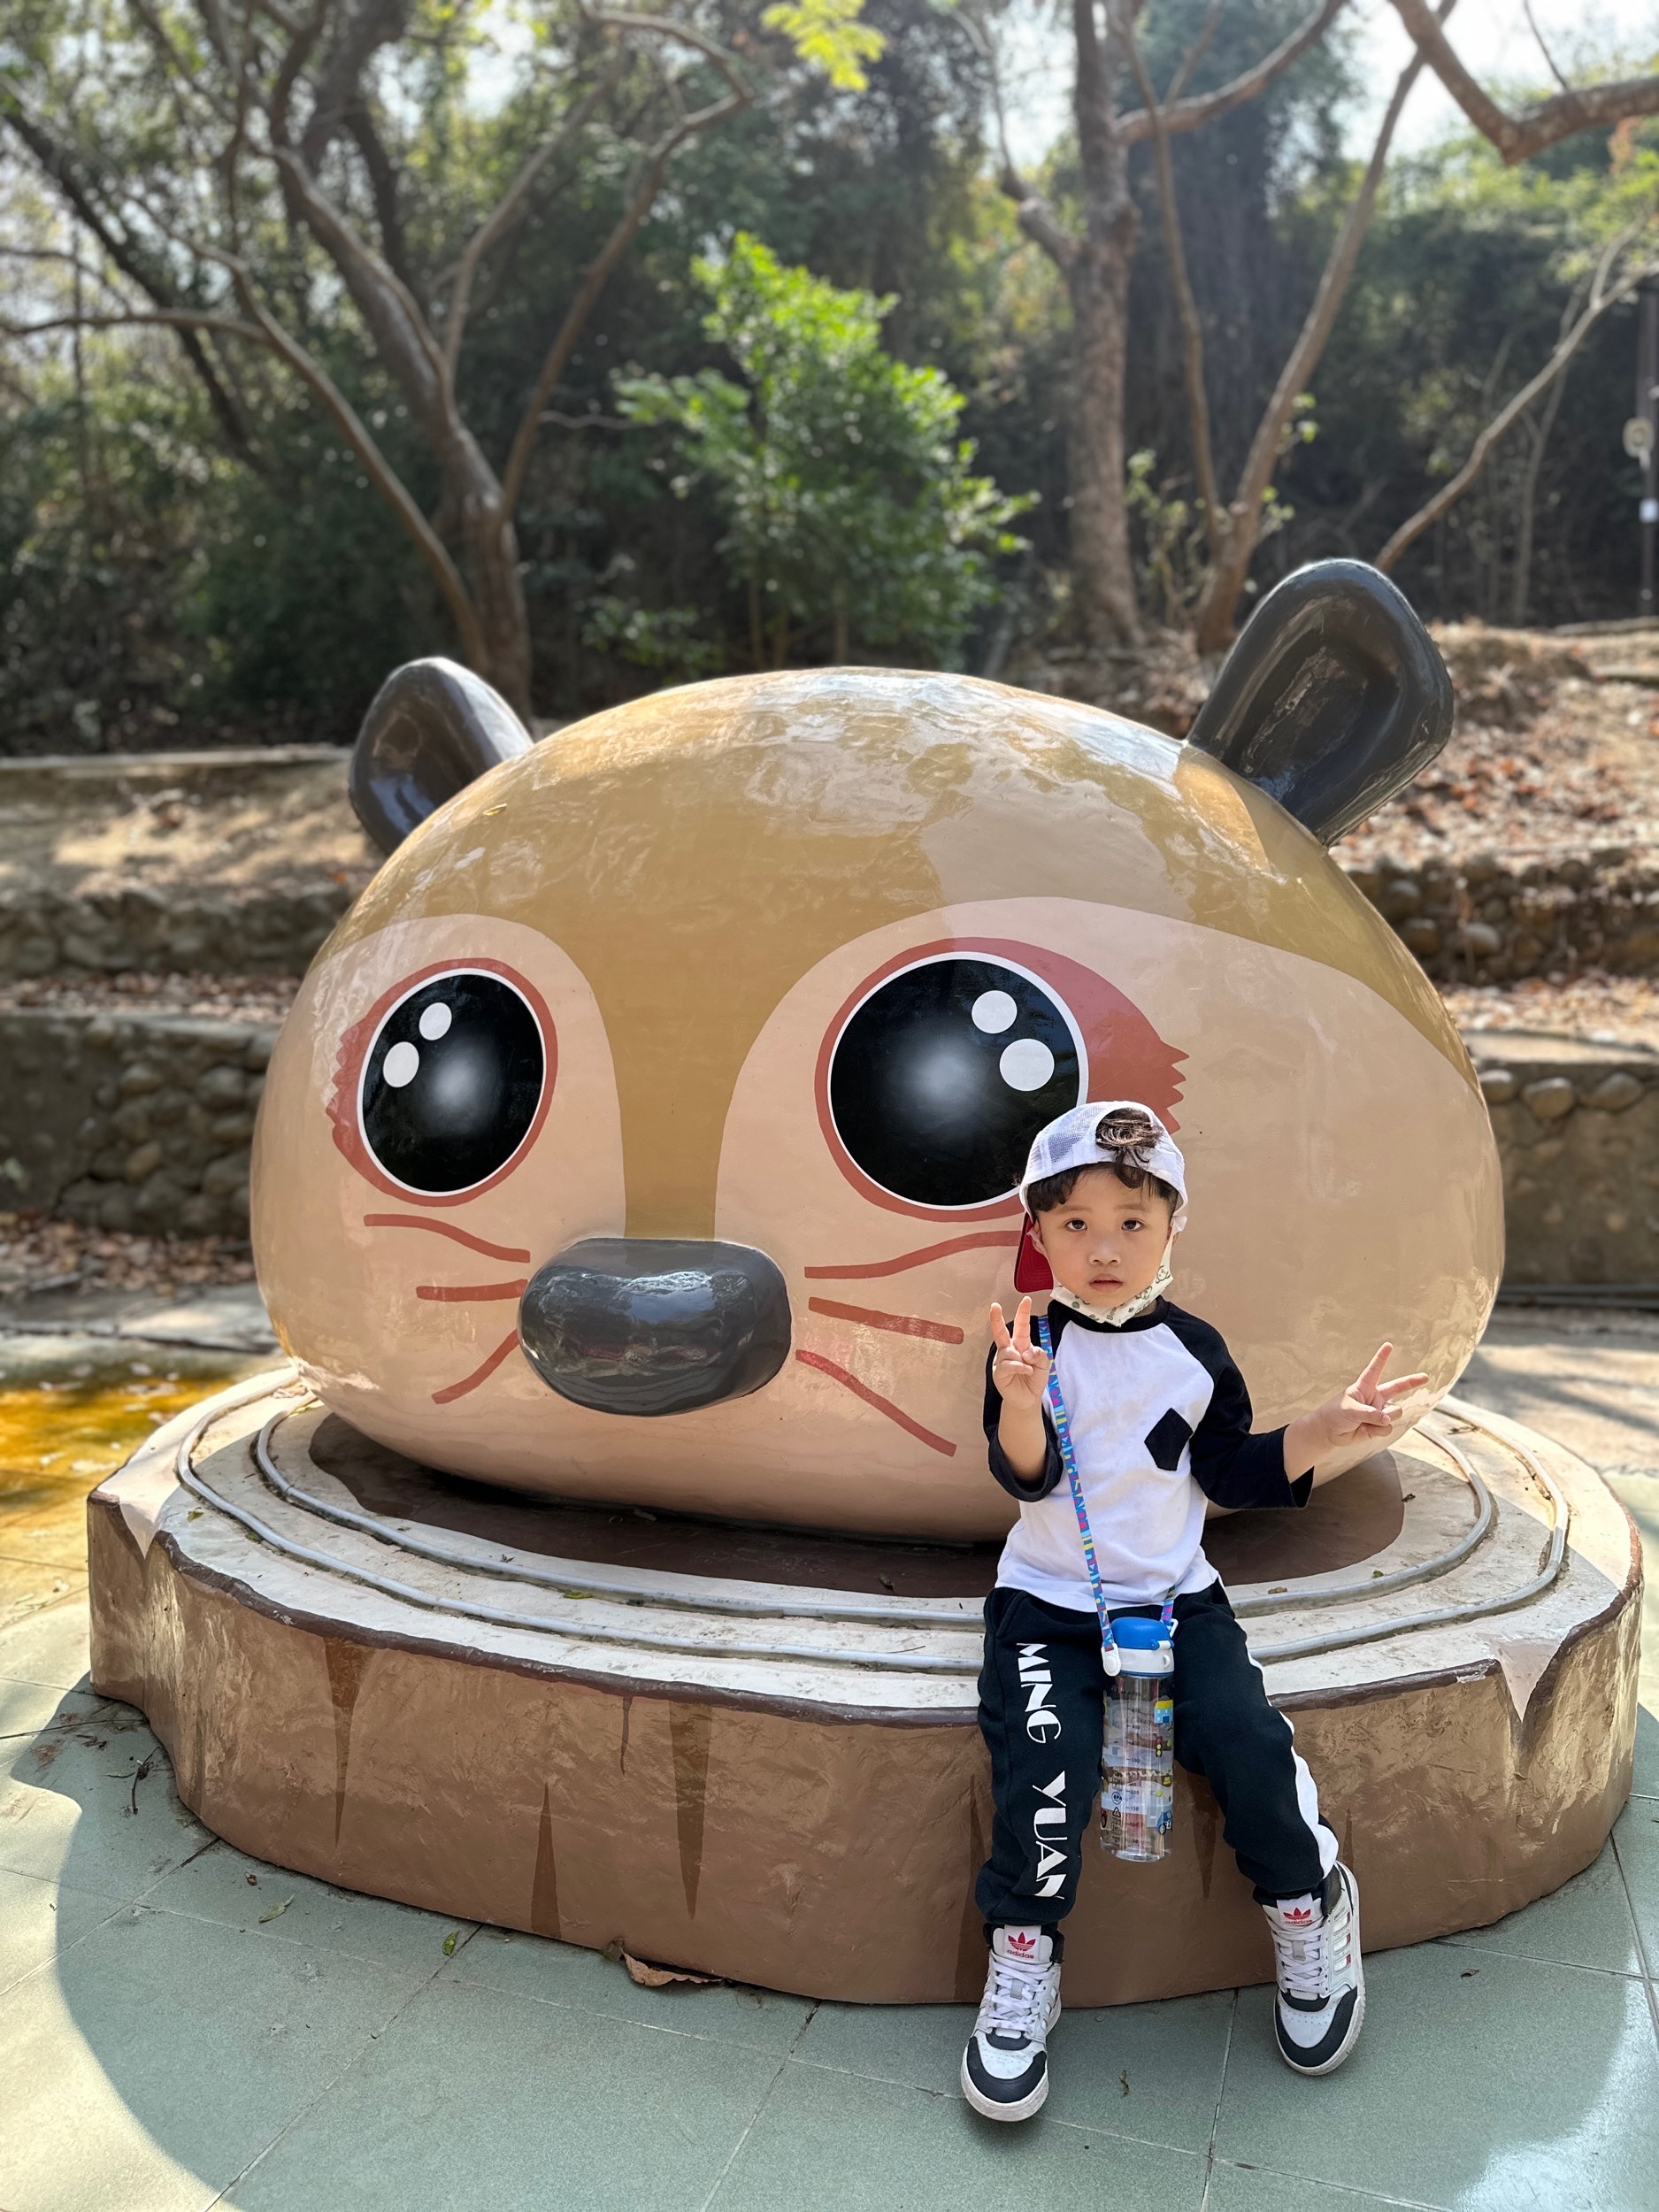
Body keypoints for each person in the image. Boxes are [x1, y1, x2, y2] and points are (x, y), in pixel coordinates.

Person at [962, 1100, 1426, 2124]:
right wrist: (1022, 1400)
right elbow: (1026, 1477)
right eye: (1075, 1223)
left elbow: (1232, 1472)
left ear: (1174, 1224)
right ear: (1039, 1233)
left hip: (1176, 1603)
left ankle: (1307, 1900)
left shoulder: (1194, 1352)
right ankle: (1024, 1954)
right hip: (1046, 1607)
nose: (1105, 1247)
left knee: (1246, 1738)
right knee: (1046, 1762)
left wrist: (1323, 1429)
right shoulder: (1028, 1343)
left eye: (1133, 1220)